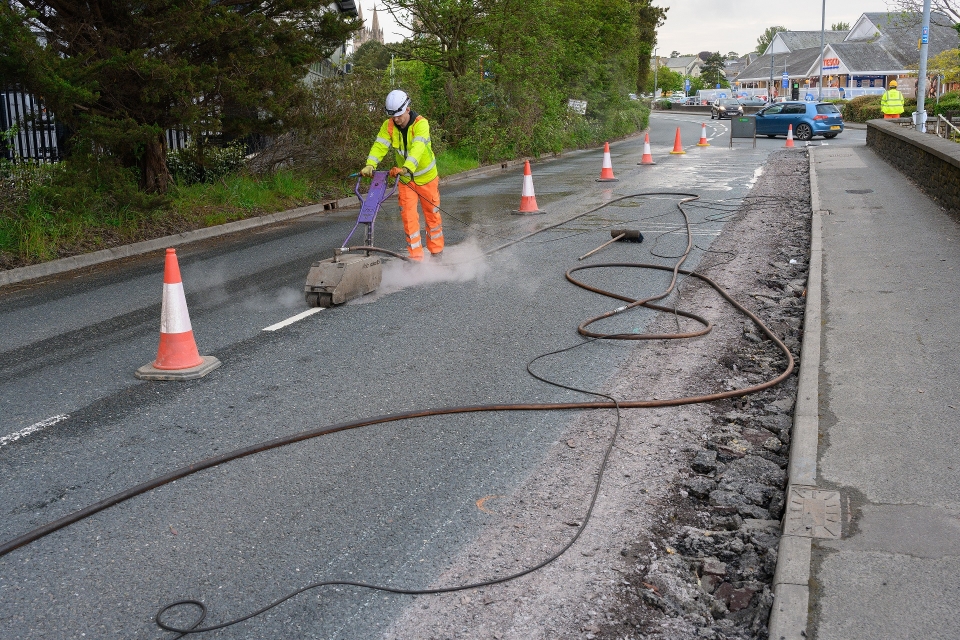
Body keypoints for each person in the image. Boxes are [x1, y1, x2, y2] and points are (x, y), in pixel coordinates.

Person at [360, 89, 443, 261]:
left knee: (432, 215)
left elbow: (418, 149)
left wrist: (406, 167)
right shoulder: (389, 125)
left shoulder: (421, 124)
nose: (396, 119)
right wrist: (370, 164)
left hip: (426, 178)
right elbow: (380, 145)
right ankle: (415, 258)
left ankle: (436, 252)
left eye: (398, 115)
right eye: (392, 116)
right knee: (408, 217)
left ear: (407, 108)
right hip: (405, 180)